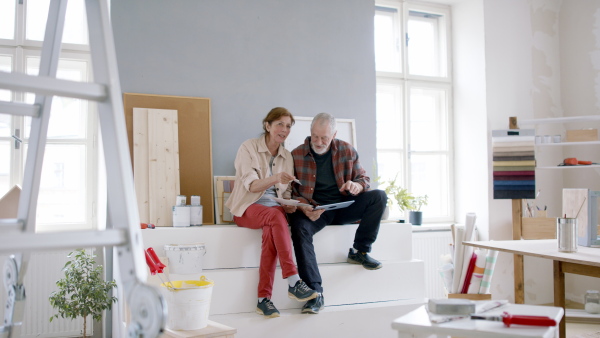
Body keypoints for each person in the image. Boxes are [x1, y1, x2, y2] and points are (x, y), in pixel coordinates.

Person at [289, 112, 387, 314]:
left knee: (379, 196)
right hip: (317, 210)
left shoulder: (347, 150)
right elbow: (291, 192)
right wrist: (304, 207)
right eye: (315, 136)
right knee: (299, 228)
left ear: (334, 134)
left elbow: (364, 179)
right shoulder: (296, 155)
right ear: (310, 132)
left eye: (324, 137)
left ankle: (360, 251)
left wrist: (356, 186)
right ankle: (315, 294)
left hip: (344, 205)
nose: (318, 141)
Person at [225, 107, 318, 318]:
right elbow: (252, 186)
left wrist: (291, 205)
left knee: (273, 229)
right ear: (267, 126)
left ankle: (263, 300)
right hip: (247, 208)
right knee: (276, 218)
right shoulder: (248, 148)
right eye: (279, 124)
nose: (284, 130)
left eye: (288, 126)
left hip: (273, 211)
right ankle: (293, 279)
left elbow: (284, 192)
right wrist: (276, 178)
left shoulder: (286, 156)